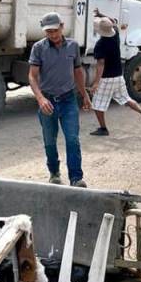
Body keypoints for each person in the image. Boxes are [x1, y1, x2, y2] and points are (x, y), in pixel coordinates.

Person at [28, 12, 92, 187]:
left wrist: (85, 95)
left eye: (55, 30)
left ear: (62, 27)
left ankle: (76, 178)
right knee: (50, 141)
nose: (53, 35)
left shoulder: (73, 46)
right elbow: (32, 77)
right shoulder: (38, 48)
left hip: (68, 100)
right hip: (47, 102)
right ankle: (54, 172)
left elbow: (78, 72)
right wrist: (40, 99)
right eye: (49, 32)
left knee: (72, 139)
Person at [89, 11, 141, 136]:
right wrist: (101, 14)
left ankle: (103, 128)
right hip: (118, 76)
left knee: (97, 105)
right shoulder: (115, 35)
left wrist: (96, 83)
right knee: (126, 99)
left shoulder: (100, 44)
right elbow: (113, 22)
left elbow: (101, 64)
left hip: (107, 78)